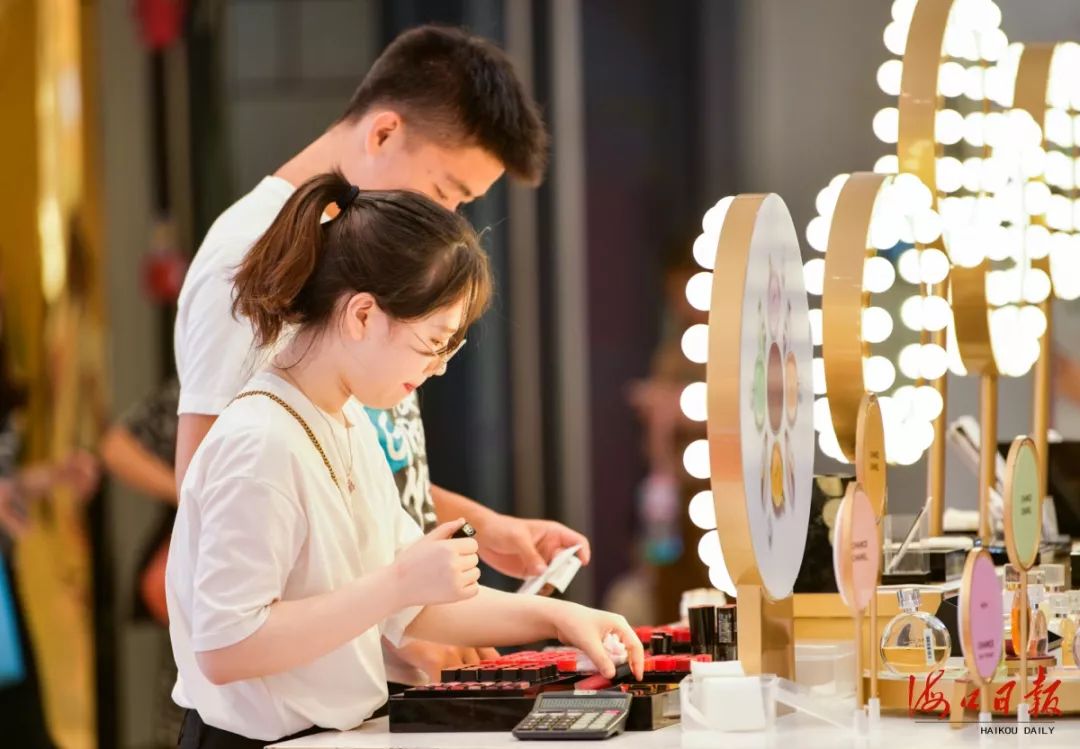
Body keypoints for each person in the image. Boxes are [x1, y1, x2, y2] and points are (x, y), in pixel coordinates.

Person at [173, 24, 589, 685]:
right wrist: (388, 617)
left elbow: (336, 475)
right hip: (303, 677)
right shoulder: (252, 256)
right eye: (446, 190)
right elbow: (220, 486)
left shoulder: (353, 249)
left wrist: (480, 528)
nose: (448, 219)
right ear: (384, 132)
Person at [166, 175, 643, 747]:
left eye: (450, 348)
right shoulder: (260, 440)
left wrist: (560, 619)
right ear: (362, 315)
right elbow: (226, 646)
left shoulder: (344, 420)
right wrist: (396, 584)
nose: (438, 367)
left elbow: (411, 606)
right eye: (432, 344)